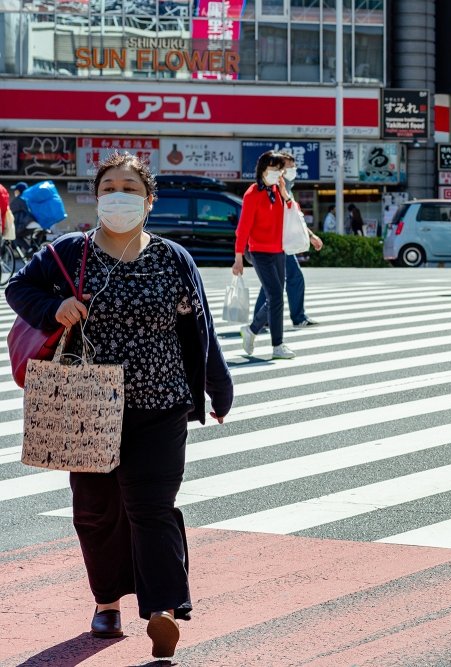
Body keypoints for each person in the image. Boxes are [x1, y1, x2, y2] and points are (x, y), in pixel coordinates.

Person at [5, 152, 233, 660]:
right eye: (110, 187)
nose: (119, 196)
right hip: (86, 406)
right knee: (97, 510)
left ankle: (163, 609)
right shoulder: (68, 252)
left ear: (149, 201)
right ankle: (107, 602)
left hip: (162, 404)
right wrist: (54, 307)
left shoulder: (174, 258)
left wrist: (218, 385)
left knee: (152, 507)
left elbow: (200, 327)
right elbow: (18, 288)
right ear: (97, 196)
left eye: (130, 188)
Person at [233, 150, 296, 360]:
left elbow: (292, 214)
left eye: (280, 169)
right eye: (273, 168)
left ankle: (251, 330)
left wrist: (285, 193)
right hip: (259, 251)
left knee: (275, 297)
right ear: (262, 169)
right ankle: (277, 345)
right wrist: (238, 256)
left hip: (279, 250)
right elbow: (243, 228)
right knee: (276, 295)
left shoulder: (278, 190)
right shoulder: (252, 193)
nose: (277, 173)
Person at [253, 151, 323, 329]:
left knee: (274, 282)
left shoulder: (284, 187)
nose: (293, 169)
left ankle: (262, 320)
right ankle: (296, 318)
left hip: (278, 242)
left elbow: (294, 217)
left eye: (294, 166)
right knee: (293, 277)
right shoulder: (274, 188)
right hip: (275, 243)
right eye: (290, 166)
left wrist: (311, 235)